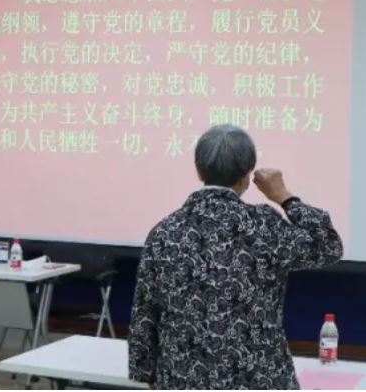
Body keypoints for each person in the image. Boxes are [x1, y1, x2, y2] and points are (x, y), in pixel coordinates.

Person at [128, 124, 343, 390]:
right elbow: (328, 245)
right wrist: (285, 197)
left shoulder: (164, 232)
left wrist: (147, 376)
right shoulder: (263, 226)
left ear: (199, 170)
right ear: (246, 175)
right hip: (258, 381)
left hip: (182, 381)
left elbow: (145, 315)